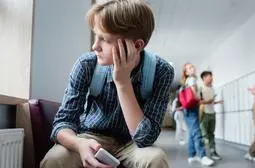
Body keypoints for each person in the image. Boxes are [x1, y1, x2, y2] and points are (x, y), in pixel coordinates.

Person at [40, 1, 174, 168]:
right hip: (90, 137)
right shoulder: (86, 64)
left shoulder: (161, 71)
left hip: (132, 144)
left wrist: (123, 82)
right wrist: (79, 144)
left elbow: (145, 138)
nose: (95, 46)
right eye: (96, 36)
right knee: (55, 159)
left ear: (137, 45)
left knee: (156, 159)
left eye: (104, 39)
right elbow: (62, 123)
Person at [180, 63, 214, 166]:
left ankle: (192, 155)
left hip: (187, 109)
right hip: (192, 108)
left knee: (191, 133)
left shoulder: (186, 81)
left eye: (192, 66)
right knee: (198, 133)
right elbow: (194, 94)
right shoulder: (192, 79)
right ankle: (202, 156)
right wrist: (200, 99)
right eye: (189, 68)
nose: (192, 68)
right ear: (186, 72)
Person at [199, 71, 223, 160]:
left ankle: (213, 152)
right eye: (210, 76)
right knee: (204, 135)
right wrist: (207, 101)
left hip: (212, 113)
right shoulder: (200, 88)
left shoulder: (212, 88)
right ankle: (202, 154)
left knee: (211, 134)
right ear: (204, 77)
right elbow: (198, 102)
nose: (212, 78)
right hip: (204, 114)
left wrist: (216, 102)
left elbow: (211, 101)